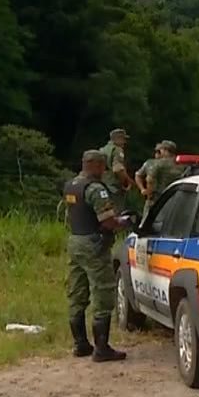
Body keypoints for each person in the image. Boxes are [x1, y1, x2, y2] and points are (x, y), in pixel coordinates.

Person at [63, 149, 135, 362]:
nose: (104, 170)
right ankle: (101, 349)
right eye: (102, 166)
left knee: (77, 292)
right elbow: (107, 221)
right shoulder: (95, 189)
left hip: (75, 241)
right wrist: (123, 222)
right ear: (94, 165)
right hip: (94, 244)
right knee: (103, 291)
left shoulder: (72, 186)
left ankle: (80, 344)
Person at [136, 140, 182, 219]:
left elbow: (149, 180)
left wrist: (148, 195)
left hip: (158, 197)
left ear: (165, 150)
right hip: (176, 197)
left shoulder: (158, 163)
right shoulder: (181, 163)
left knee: (148, 220)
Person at [99, 128, 135, 197]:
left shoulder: (102, 149)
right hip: (114, 187)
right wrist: (126, 181)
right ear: (118, 138)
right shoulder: (117, 150)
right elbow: (117, 169)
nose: (125, 142)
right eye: (123, 139)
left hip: (102, 184)